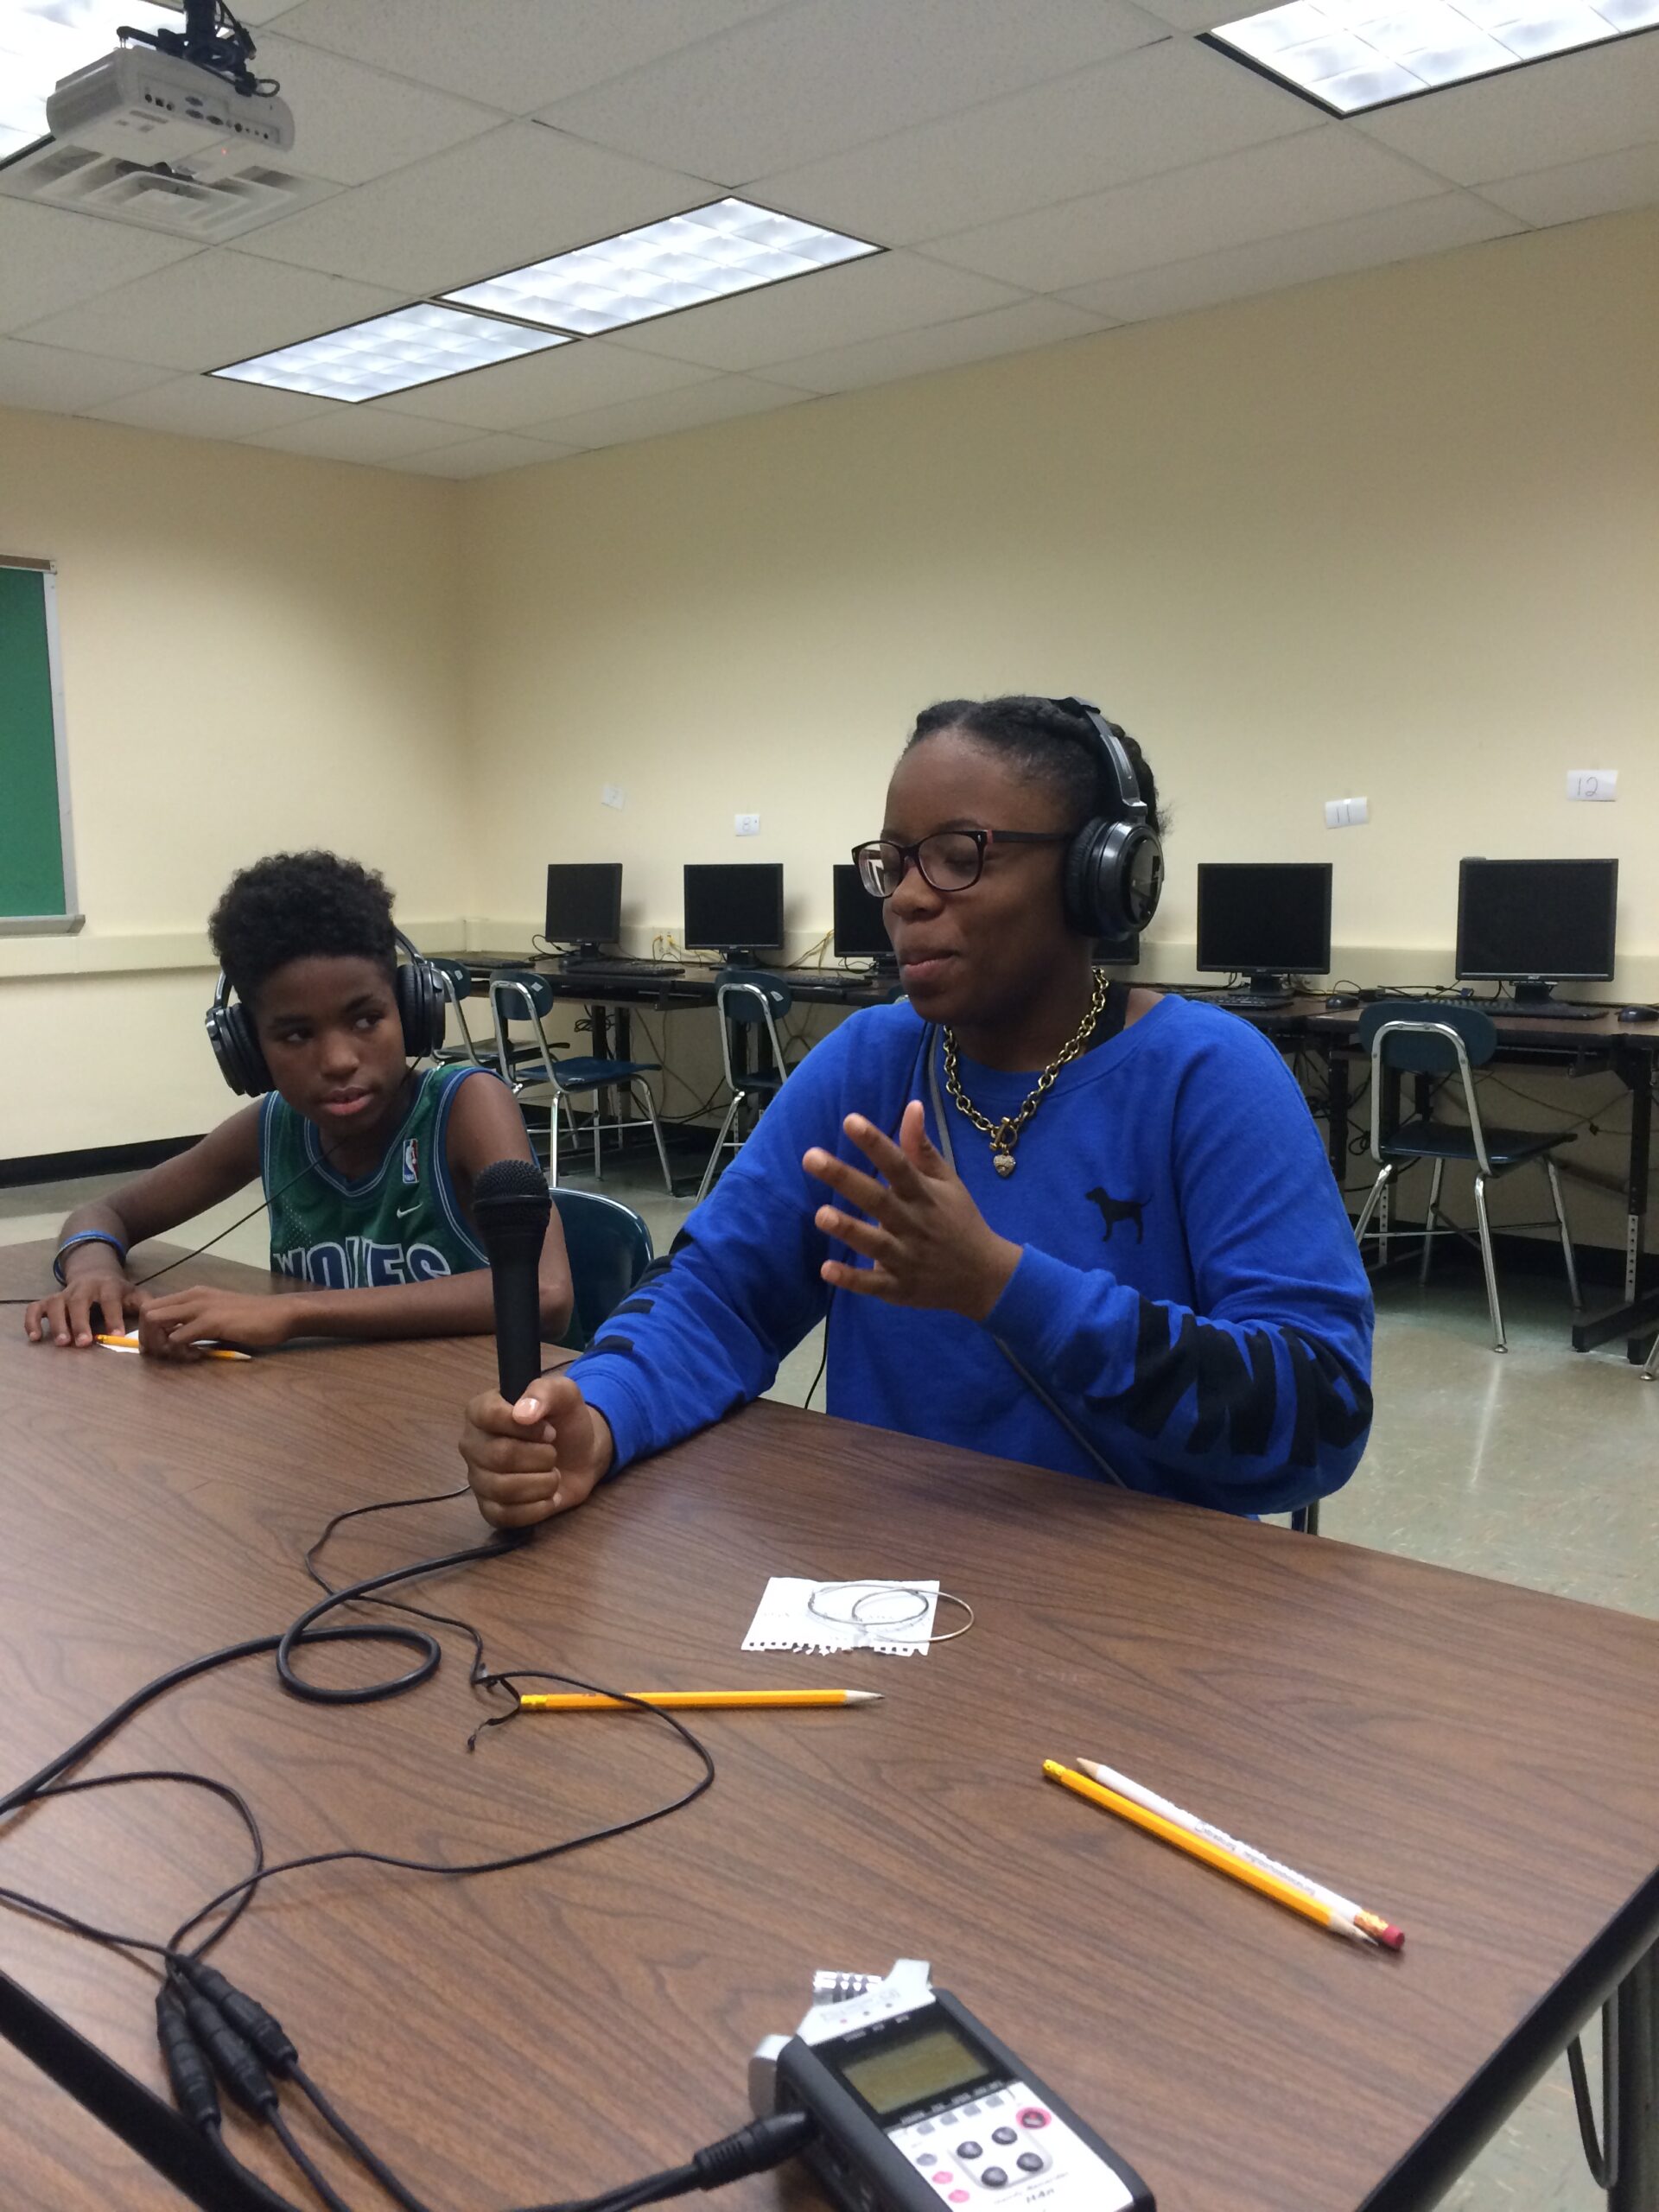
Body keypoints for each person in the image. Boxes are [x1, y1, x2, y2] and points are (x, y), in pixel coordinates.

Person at [459, 696, 1371, 1526]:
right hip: (892, 1586)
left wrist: (1003, 1285)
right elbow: (715, 1299)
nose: (906, 895)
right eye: (893, 862)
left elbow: (1320, 1415)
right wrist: (602, 1412)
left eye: (958, 854)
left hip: (1145, 1607)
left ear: (1101, 874)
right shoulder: (869, 1063)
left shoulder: (1210, 1079)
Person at [25, 851, 571, 1359]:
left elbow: (545, 1294)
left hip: (464, 1413)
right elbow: (104, 1213)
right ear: (250, 1052)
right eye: (294, 1035)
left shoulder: (467, 1106)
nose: (337, 1060)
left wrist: (293, 1312)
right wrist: (92, 1268)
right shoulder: (274, 1128)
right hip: (327, 1412)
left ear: (410, 1009)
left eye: (365, 1019)